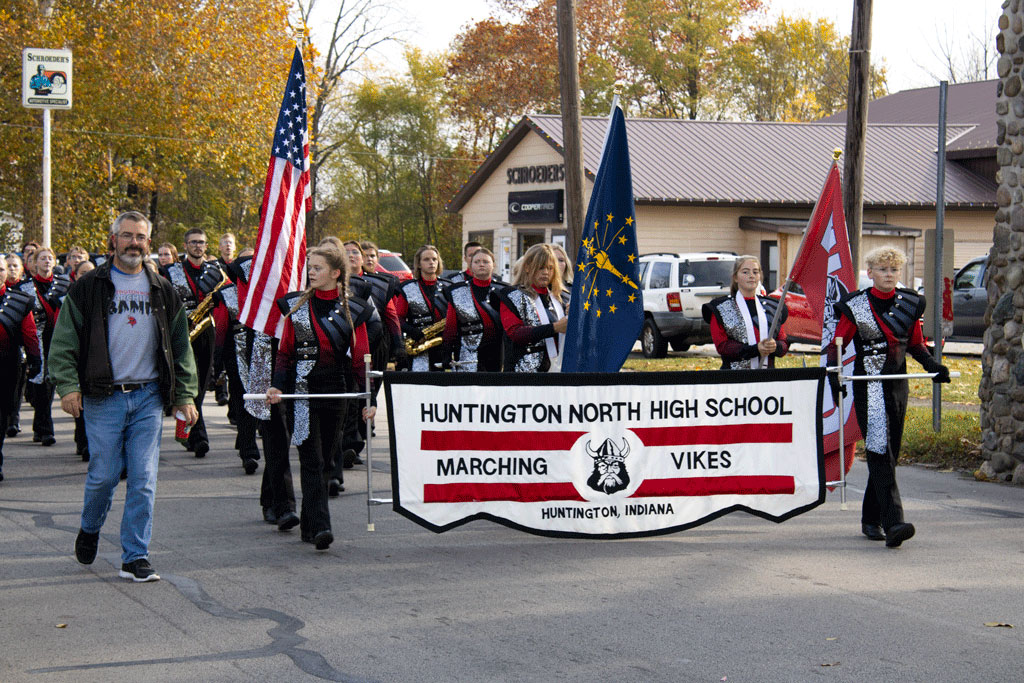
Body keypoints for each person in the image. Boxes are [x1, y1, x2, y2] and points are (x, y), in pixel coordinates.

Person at [49, 210, 198, 582]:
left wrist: (186, 394)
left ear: (149, 242)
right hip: (103, 397)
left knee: (144, 477)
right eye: (127, 235)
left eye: (141, 237)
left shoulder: (163, 288)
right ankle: (90, 526)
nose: (135, 243)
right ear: (112, 240)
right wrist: (68, 387)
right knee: (103, 475)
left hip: (148, 396)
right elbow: (64, 341)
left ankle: (135, 556)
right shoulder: (88, 287)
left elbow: (180, 346)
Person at [828, 246, 950, 549]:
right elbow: (837, 344)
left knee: (889, 453)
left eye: (894, 270)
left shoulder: (910, 302)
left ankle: (870, 519)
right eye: (883, 270)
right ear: (871, 273)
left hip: (897, 384)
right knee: (880, 451)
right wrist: (833, 375)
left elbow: (916, 344)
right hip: (868, 384)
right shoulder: (856, 305)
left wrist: (933, 366)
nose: (889, 274)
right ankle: (893, 521)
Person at [267, 245, 375, 551]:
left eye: (317, 268)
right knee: (311, 459)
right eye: (309, 267)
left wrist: (369, 399)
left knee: (327, 460)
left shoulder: (355, 309)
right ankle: (321, 527)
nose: (311, 272)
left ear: (336, 273)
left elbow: (359, 360)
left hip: (337, 391)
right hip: (301, 392)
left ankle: (310, 522)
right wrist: (277, 385)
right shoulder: (295, 306)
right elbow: (285, 353)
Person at [160, 228, 227, 458]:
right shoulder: (170, 271)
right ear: (185, 245)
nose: (198, 246)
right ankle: (198, 437)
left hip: (206, 331)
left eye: (202, 242)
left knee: (201, 384)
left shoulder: (216, 271)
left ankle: (188, 431)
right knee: (186, 382)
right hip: (181, 331)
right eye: (193, 242)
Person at [19, 246, 70, 446]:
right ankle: (42, 427)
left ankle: (44, 429)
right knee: (37, 386)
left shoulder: (63, 284)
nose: (47, 261)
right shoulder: (25, 286)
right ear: (34, 263)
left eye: (50, 258)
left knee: (49, 384)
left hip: (57, 338)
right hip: (35, 339)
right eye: (42, 258)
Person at [702, 255, 789, 370]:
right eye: (745, 272)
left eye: (755, 272)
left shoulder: (773, 307)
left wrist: (775, 346)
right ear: (735, 277)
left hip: (768, 377)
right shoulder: (721, 307)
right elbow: (722, 346)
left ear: (760, 276)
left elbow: (784, 343)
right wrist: (755, 349)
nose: (751, 276)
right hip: (734, 378)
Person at [0, 256, 42, 482]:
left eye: (0, 270)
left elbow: (30, 332)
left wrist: (35, 359)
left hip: (7, 366)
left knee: (2, 415)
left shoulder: (20, 300)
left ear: (7, 273)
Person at [497, 244, 568, 373]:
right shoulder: (511, 294)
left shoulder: (562, 297)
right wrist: (555, 327)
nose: (546, 272)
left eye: (550, 268)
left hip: (560, 370)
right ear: (527, 267)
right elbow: (515, 333)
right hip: (523, 373)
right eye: (541, 268)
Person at [443, 247, 503, 372]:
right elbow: (450, 326)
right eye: (477, 262)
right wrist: (447, 352)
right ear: (470, 265)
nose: (481, 264)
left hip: (495, 353)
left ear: (493, 265)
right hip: (467, 353)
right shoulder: (457, 291)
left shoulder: (502, 291)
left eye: (485, 262)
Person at [395, 245, 449, 372]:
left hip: (443, 345)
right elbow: (398, 317)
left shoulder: (448, 287)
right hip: (418, 343)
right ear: (418, 264)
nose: (431, 262)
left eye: (434, 259)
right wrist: (413, 331)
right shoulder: (407, 288)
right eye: (426, 259)